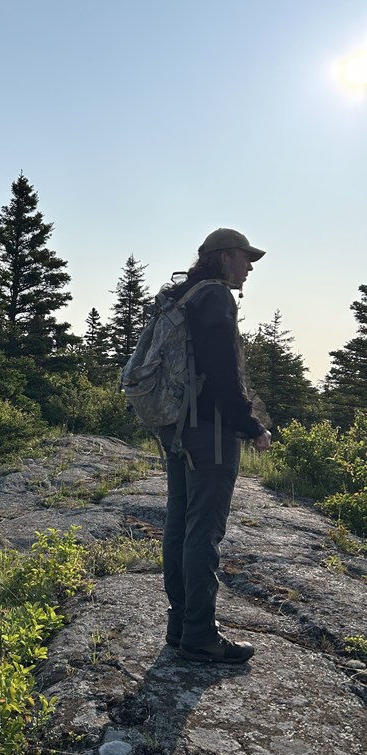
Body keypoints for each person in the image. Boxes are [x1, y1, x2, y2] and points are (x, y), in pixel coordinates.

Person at [158, 228, 271, 664]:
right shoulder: (216, 298)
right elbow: (224, 371)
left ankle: (180, 624)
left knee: (179, 525)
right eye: (246, 259)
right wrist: (249, 425)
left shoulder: (181, 296)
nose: (249, 268)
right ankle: (200, 635)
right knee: (204, 531)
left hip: (178, 427)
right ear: (225, 257)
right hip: (211, 432)